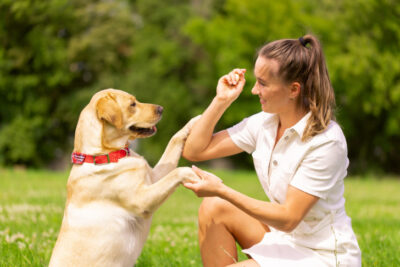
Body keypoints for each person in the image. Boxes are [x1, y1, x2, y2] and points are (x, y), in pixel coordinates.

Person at [182, 34, 361, 267]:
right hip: (286, 239)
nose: (255, 90)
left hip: (322, 256)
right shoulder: (264, 123)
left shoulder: (326, 142)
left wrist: (223, 190)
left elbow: (288, 219)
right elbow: (195, 150)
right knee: (213, 206)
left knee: (219, 198)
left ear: (293, 89)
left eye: (263, 83)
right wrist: (221, 100)